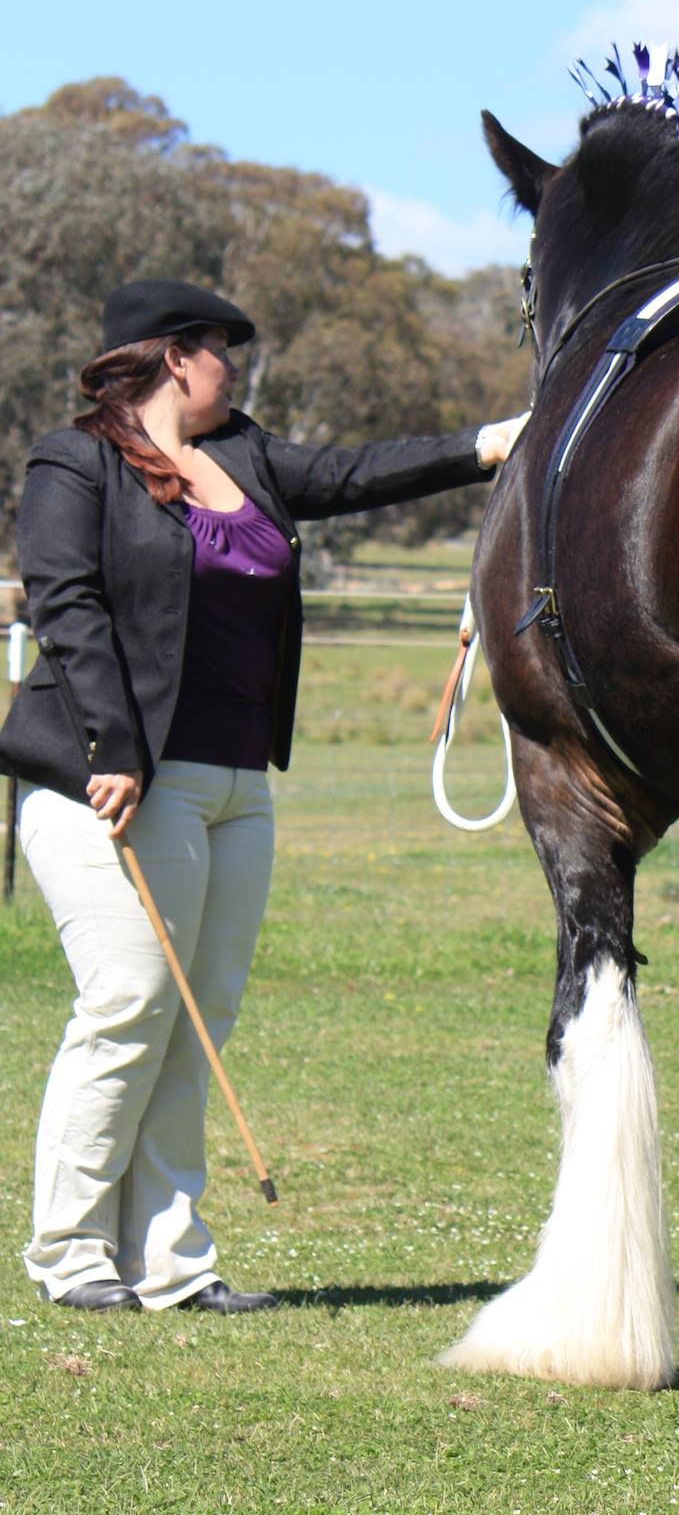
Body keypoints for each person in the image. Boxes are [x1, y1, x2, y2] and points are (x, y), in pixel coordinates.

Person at [0, 278, 527, 1315]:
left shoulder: (243, 453)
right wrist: (111, 742)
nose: (233, 366)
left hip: (239, 779)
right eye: (219, 348)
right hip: (113, 778)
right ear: (170, 356)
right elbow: (66, 599)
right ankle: (69, 1256)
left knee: (200, 1021)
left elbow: (354, 473)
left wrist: (485, 443)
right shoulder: (76, 462)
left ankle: (169, 1264)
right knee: (130, 1004)